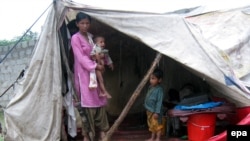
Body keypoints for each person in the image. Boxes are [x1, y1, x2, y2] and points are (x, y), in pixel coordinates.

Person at [71, 12, 109, 141]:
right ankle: (87, 135)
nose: (85, 26)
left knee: (99, 100)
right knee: (87, 104)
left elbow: (97, 51)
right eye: (82, 23)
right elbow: (80, 57)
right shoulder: (75, 38)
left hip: (94, 72)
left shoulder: (91, 37)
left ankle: (103, 131)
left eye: (87, 23)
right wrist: (94, 66)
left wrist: (101, 62)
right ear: (77, 24)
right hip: (83, 73)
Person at [144, 68, 165, 141]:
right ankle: (152, 138)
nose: (151, 80)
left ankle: (158, 138)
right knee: (152, 125)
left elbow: (159, 102)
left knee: (157, 125)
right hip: (149, 110)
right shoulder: (150, 87)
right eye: (150, 78)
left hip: (155, 112)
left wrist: (157, 112)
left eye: (153, 78)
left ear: (159, 80)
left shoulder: (159, 90)